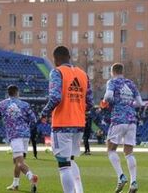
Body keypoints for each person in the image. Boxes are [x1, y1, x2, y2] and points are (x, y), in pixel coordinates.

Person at [40, 46, 93, 193]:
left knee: (63, 165)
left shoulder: (57, 72)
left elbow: (56, 97)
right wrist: (77, 109)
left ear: (56, 59)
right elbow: (89, 102)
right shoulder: (83, 74)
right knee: (70, 160)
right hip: (79, 124)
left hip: (62, 124)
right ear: (69, 57)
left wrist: (44, 112)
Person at [101, 63, 143, 193]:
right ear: (122, 71)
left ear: (112, 72)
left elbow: (108, 97)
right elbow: (140, 103)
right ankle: (134, 182)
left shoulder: (112, 82)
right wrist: (129, 103)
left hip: (119, 119)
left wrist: (109, 102)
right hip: (132, 120)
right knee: (129, 152)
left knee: (111, 149)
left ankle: (121, 176)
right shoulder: (130, 83)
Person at [0, 85, 39, 192]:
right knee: (17, 161)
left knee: (19, 163)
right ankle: (15, 184)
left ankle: (32, 177)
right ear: (17, 93)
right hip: (25, 135)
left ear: (8, 93)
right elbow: (33, 119)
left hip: (14, 135)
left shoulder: (2, 104)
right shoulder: (25, 104)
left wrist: (4, 117)